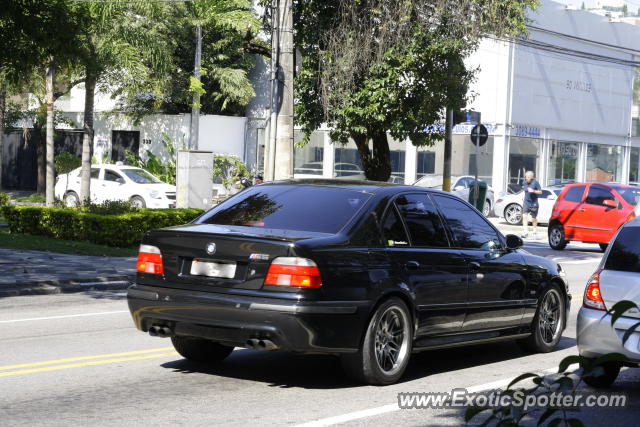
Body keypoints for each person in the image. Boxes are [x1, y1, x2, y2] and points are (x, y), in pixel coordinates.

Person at [522, 171, 542, 238]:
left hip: (534, 203)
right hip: (526, 203)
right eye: (526, 177)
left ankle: (535, 231)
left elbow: (540, 192)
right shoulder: (524, 182)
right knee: (524, 216)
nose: (526, 178)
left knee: (533, 219)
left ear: (531, 177)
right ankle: (525, 232)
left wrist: (533, 191)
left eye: (528, 177)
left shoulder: (535, 183)